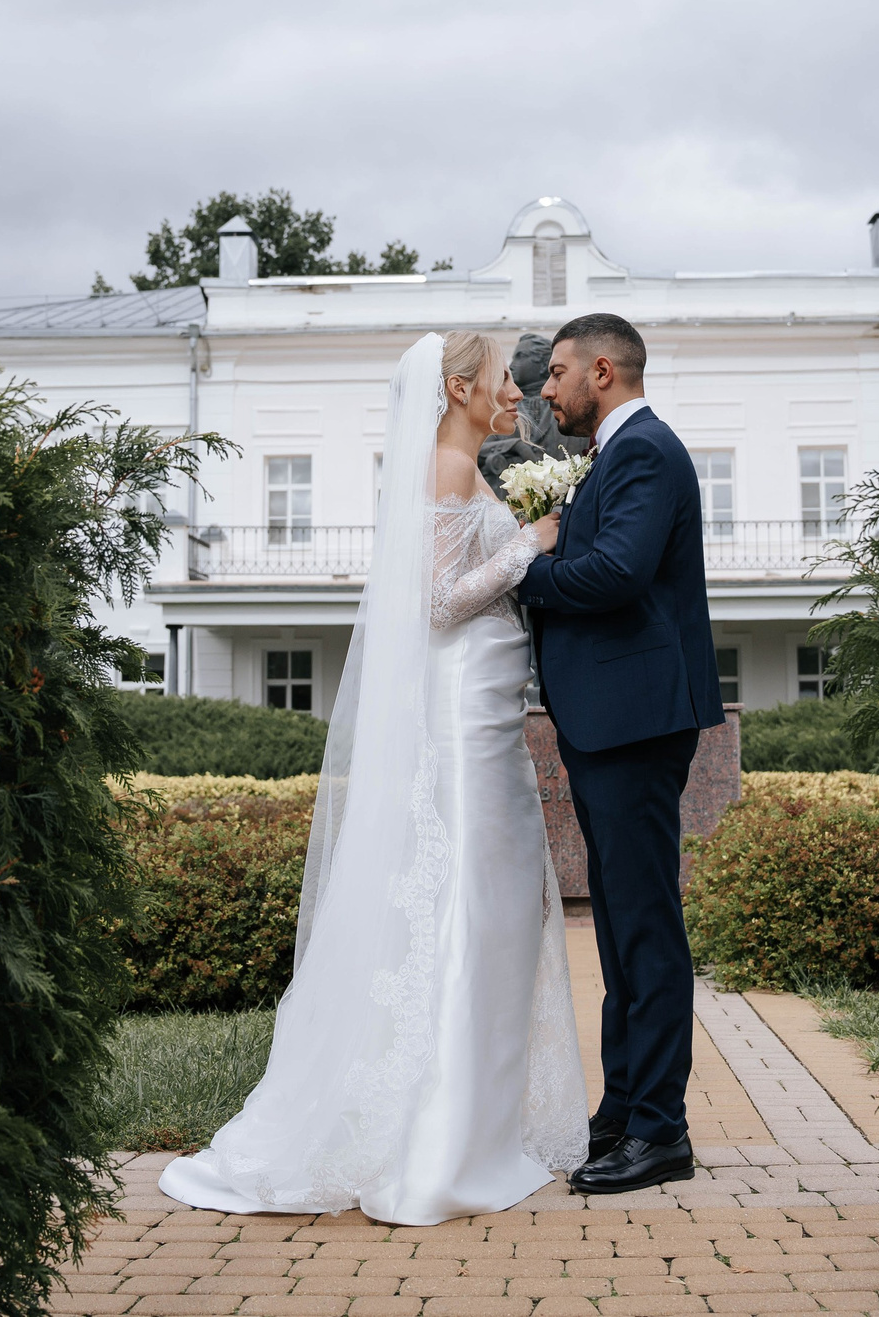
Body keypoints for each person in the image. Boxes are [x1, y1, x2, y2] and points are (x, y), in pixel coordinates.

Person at [157, 332, 582, 1225]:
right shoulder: (444, 468)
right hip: (464, 716)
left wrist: (520, 544)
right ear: (459, 387)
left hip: (490, 710)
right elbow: (439, 601)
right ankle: (441, 1147)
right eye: (505, 378)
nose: (519, 391)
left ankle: (475, 1123)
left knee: (497, 905)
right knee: (470, 898)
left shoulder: (462, 461)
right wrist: (531, 544)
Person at [520, 313, 725, 1195]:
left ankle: (661, 1129)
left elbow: (616, 573)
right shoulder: (616, 452)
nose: (545, 389)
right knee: (618, 927)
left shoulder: (644, 450)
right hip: (613, 722)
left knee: (644, 929)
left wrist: (519, 570)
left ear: (603, 370)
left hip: (636, 723)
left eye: (558, 372)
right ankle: (623, 1111)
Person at [476, 330, 588, 493]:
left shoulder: (572, 413)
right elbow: (472, 447)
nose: (513, 364)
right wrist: (515, 445)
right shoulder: (497, 407)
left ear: (544, 365)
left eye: (520, 356)